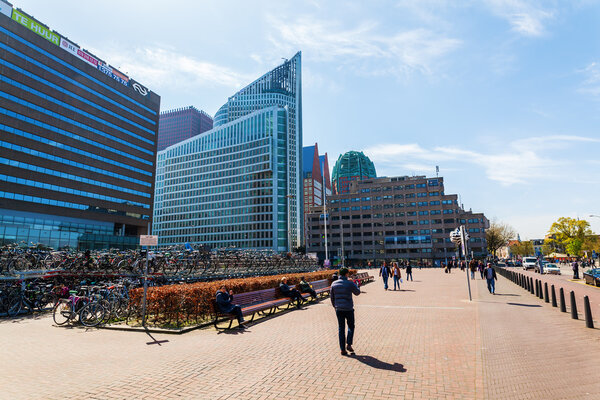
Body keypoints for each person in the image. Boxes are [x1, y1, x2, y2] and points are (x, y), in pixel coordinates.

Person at [330, 267, 361, 356]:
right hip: (348, 308)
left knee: (341, 328)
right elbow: (357, 292)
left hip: (338, 309)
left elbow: (332, 297)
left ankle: (342, 349)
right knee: (351, 326)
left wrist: (335, 306)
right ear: (346, 274)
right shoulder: (349, 283)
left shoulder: (334, 284)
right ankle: (349, 344)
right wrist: (355, 283)